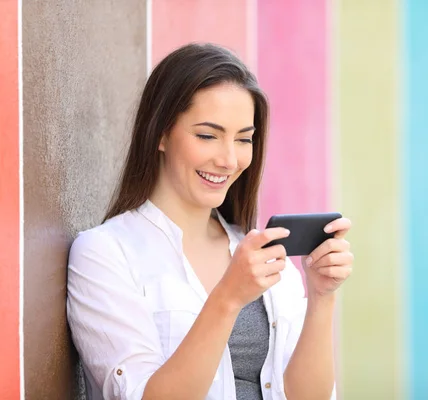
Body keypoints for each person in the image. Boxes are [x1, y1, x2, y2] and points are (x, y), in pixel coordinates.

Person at [66, 43, 354, 400]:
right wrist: (228, 297)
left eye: (244, 139)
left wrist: (321, 297)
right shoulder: (104, 254)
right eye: (207, 136)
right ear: (160, 133)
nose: (229, 160)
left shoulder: (262, 253)